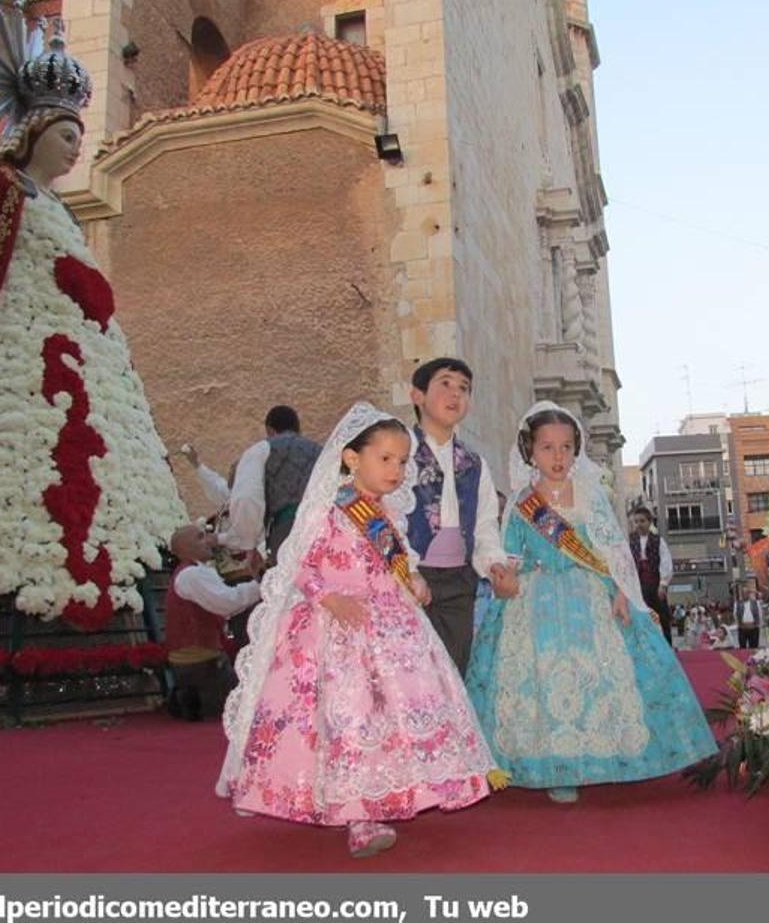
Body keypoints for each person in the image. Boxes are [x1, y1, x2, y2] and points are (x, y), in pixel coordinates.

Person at [0, 2, 184, 630]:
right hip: (14, 367)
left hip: (79, 361)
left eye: (79, 136)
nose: (75, 148)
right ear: (35, 130)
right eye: (66, 134)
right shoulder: (4, 188)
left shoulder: (61, 210)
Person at [217, 403, 499, 858]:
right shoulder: (331, 510)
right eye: (385, 459)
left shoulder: (384, 514)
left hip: (391, 626)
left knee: (395, 717)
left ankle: (394, 792)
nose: (396, 469)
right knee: (350, 718)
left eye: (403, 461)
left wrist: (416, 581)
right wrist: (329, 598)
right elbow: (299, 566)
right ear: (352, 458)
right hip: (336, 631)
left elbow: (396, 560)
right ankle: (357, 814)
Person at [466, 401, 716, 804]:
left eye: (566, 447)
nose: (558, 456)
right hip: (535, 603)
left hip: (590, 597)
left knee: (596, 674)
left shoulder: (590, 496)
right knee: (544, 677)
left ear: (576, 450)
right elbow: (511, 553)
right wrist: (505, 577)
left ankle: (602, 755)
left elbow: (612, 549)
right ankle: (555, 764)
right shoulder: (520, 503)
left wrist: (620, 590)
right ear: (531, 451)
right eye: (547, 447)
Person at [406, 358, 518, 675]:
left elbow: (484, 527)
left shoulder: (474, 463)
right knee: (415, 677)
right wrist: (408, 571)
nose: (455, 394)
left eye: (464, 388)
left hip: (459, 584)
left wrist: (494, 563)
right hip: (411, 580)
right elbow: (387, 517)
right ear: (417, 395)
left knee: (455, 674)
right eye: (445, 384)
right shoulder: (399, 453)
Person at [164, 524, 260, 721]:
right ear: (184, 548)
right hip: (202, 665)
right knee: (248, 711)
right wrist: (263, 585)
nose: (209, 540)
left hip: (202, 662)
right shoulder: (192, 575)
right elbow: (228, 603)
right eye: (200, 537)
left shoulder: (192, 572)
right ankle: (192, 699)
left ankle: (189, 699)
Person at [218, 405, 320, 563]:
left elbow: (246, 498)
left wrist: (248, 543)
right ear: (297, 428)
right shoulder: (320, 450)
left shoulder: (261, 449)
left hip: (288, 532)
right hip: (326, 529)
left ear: (270, 430)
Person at [628, 505, 673, 640]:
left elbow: (666, 561)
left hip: (655, 582)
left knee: (661, 615)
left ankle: (667, 646)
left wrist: (663, 584)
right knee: (641, 615)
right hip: (638, 584)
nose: (639, 524)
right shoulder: (631, 541)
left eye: (642, 521)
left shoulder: (658, 540)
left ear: (649, 522)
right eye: (636, 522)